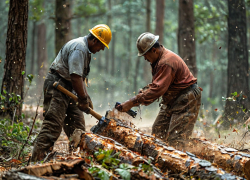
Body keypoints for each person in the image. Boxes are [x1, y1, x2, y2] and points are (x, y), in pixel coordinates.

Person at [31, 24, 112, 161]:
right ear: (95, 40)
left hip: (70, 87)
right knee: (53, 126)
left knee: (78, 128)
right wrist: (83, 99)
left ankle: (75, 160)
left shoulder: (86, 51)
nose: (102, 48)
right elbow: (75, 77)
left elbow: (80, 78)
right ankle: (36, 161)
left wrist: (86, 97)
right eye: (102, 45)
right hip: (58, 85)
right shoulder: (79, 48)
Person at [116, 32, 201, 147]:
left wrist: (132, 102)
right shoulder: (160, 59)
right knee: (158, 132)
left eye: (145, 54)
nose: (145, 58)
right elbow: (157, 85)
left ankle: (183, 160)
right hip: (173, 98)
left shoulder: (166, 62)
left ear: (154, 50)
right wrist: (143, 94)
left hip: (186, 98)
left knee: (177, 139)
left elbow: (157, 90)